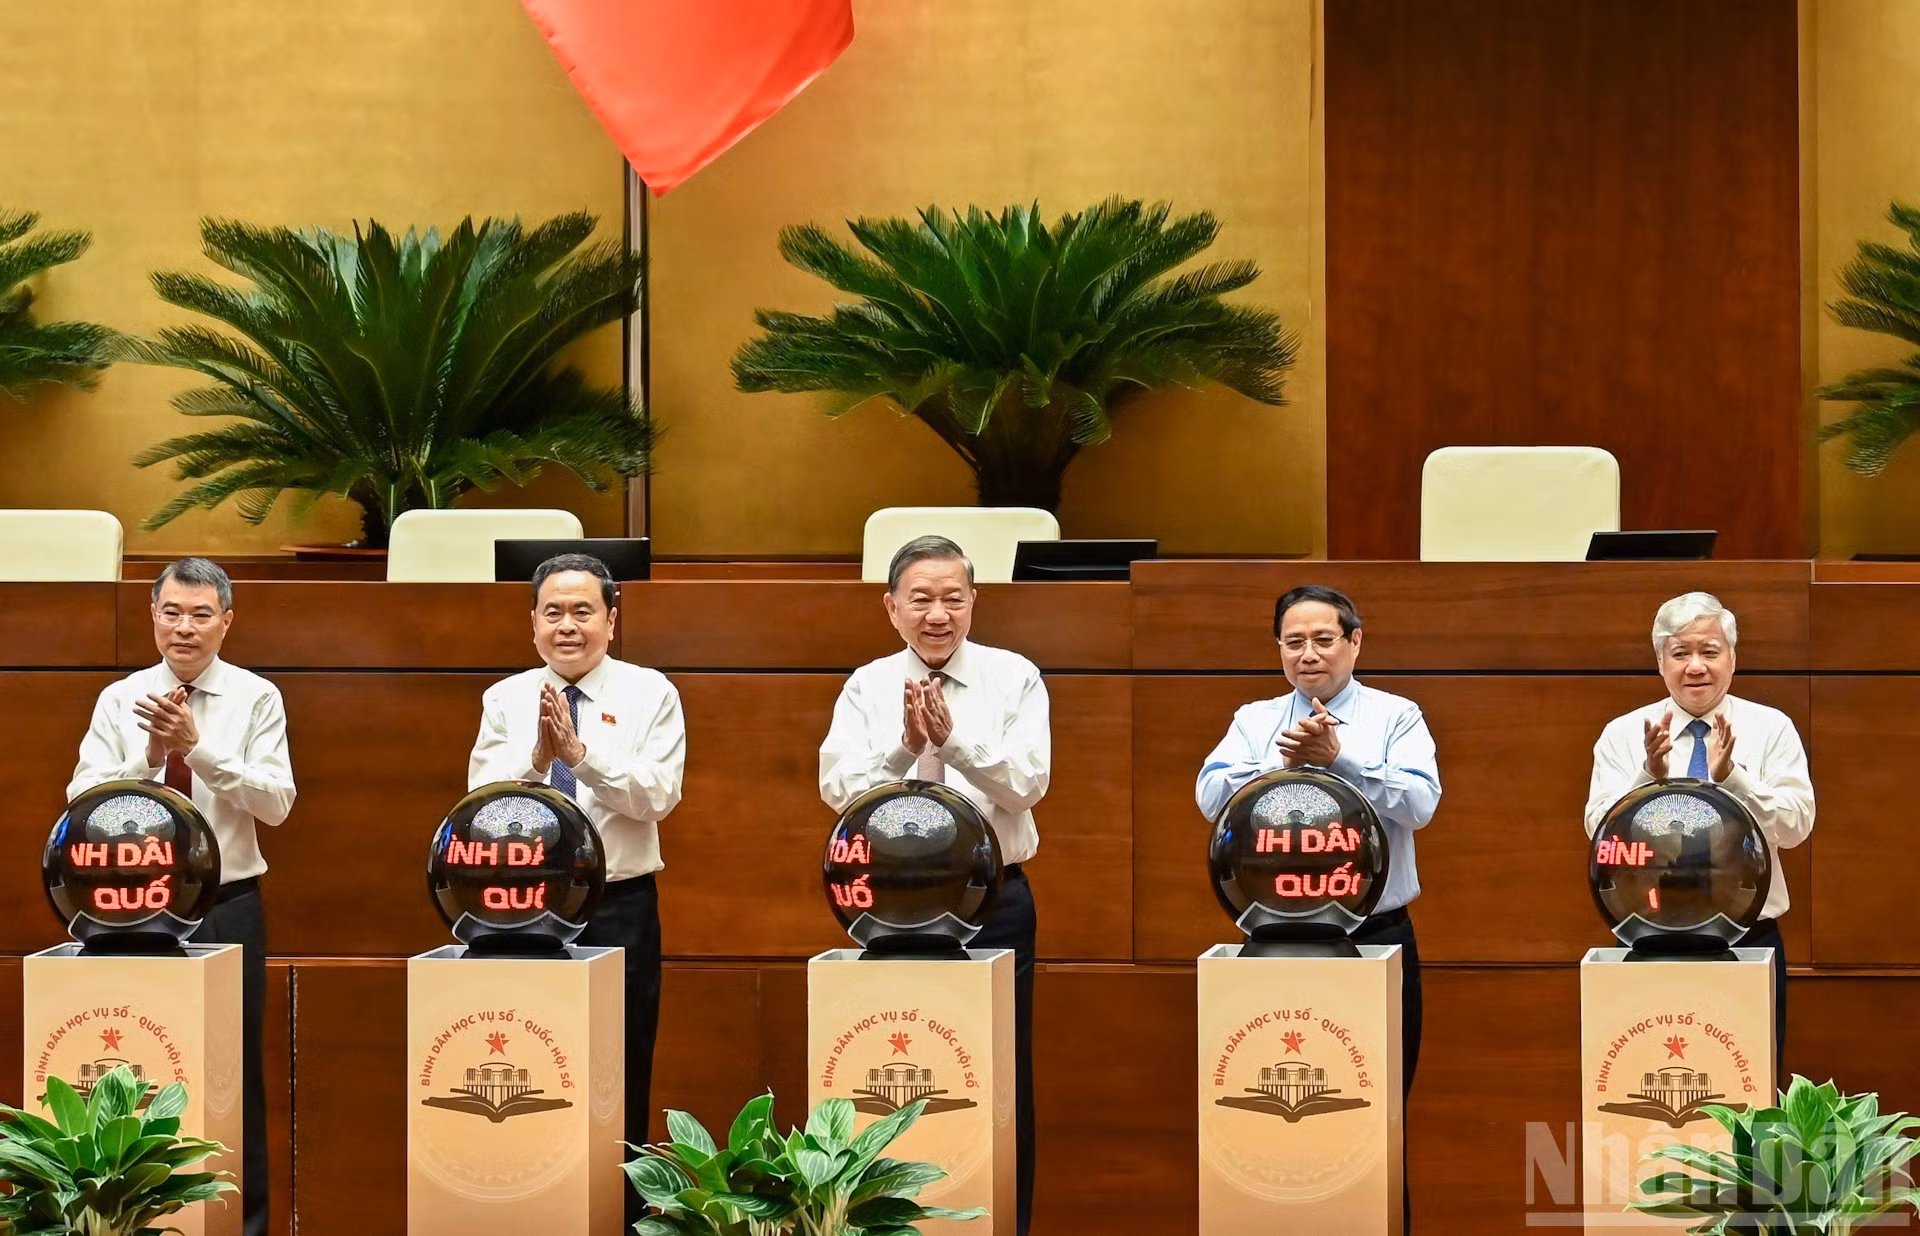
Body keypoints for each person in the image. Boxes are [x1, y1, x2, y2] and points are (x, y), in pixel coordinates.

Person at [819, 535, 1049, 1236]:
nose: (938, 613)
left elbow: (1028, 784)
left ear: (974, 602)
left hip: (994, 901)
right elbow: (838, 790)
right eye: (921, 599)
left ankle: (1003, 1222)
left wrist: (957, 743)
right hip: (889, 905)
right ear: (892, 607)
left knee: (1000, 1079)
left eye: (953, 597)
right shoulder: (867, 684)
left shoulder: (1015, 678)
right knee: (902, 1066)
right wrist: (902, 747)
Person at [1195, 583, 1440, 1231]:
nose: (1309, 655)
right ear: (1278, 648)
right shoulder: (1256, 719)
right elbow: (1209, 793)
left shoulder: (1396, 716)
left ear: (1355, 642)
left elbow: (1420, 805)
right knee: (1277, 1112)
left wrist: (1343, 761)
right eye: (1294, 642)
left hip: (1375, 938)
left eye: (1324, 640)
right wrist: (1275, 767)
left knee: (1375, 1112)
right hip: (1274, 941)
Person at [68, 557, 294, 1236]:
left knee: (234, 1072)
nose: (185, 628)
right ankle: (132, 1221)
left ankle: (242, 1225)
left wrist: (198, 752)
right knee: (137, 1063)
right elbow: (82, 799)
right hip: (127, 908)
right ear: (153, 616)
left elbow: (277, 804)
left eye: (201, 614)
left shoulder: (257, 698)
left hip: (225, 905)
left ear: (226, 621)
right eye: (172, 612)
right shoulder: (121, 698)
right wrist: (147, 756)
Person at [468, 552, 685, 1221]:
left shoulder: (652, 693)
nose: (568, 626)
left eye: (583, 611)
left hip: (618, 905)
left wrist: (580, 758)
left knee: (619, 1071)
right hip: (522, 910)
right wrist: (535, 761)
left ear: (611, 621)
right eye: (553, 612)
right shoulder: (504, 698)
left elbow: (657, 797)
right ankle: (534, 1212)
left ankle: (620, 1217)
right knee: (533, 1065)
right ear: (532, 622)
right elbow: (482, 805)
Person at [1585, 591, 1813, 1069]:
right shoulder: (1624, 733)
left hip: (1749, 937)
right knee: (1659, 1073)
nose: (1696, 667)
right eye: (1681, 653)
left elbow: (1796, 825)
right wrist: (1647, 776)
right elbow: (1598, 832)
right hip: (1649, 937)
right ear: (1660, 661)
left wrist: (1737, 779)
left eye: (1710, 652)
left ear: (1733, 657)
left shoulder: (1771, 728)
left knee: (1749, 1078)